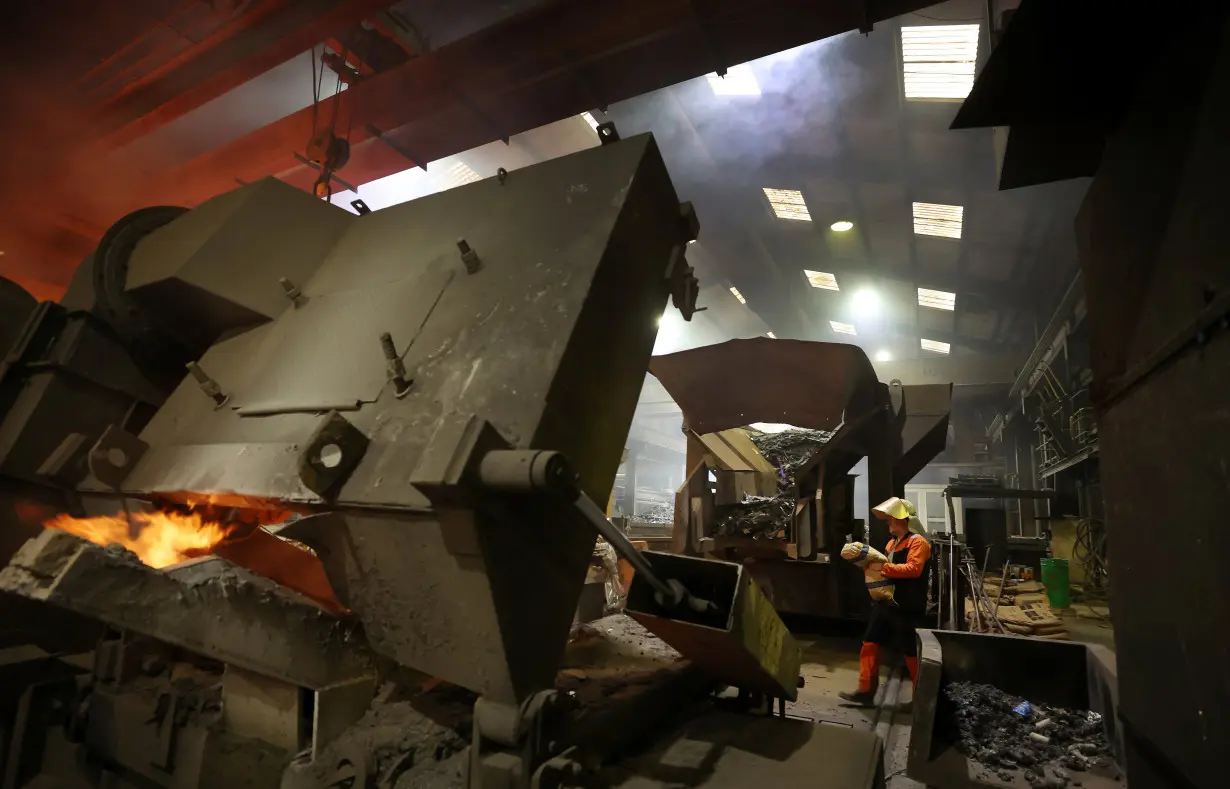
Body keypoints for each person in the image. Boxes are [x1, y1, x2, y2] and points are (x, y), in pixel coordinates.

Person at [838, 496, 933, 707]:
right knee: (870, 642)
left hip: (907, 606)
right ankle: (865, 691)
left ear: (904, 520)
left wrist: (884, 569)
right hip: (886, 604)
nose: (889, 522)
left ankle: (922, 699)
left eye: (892, 519)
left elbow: (914, 569)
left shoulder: (918, 542)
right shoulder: (892, 543)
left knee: (911, 652)